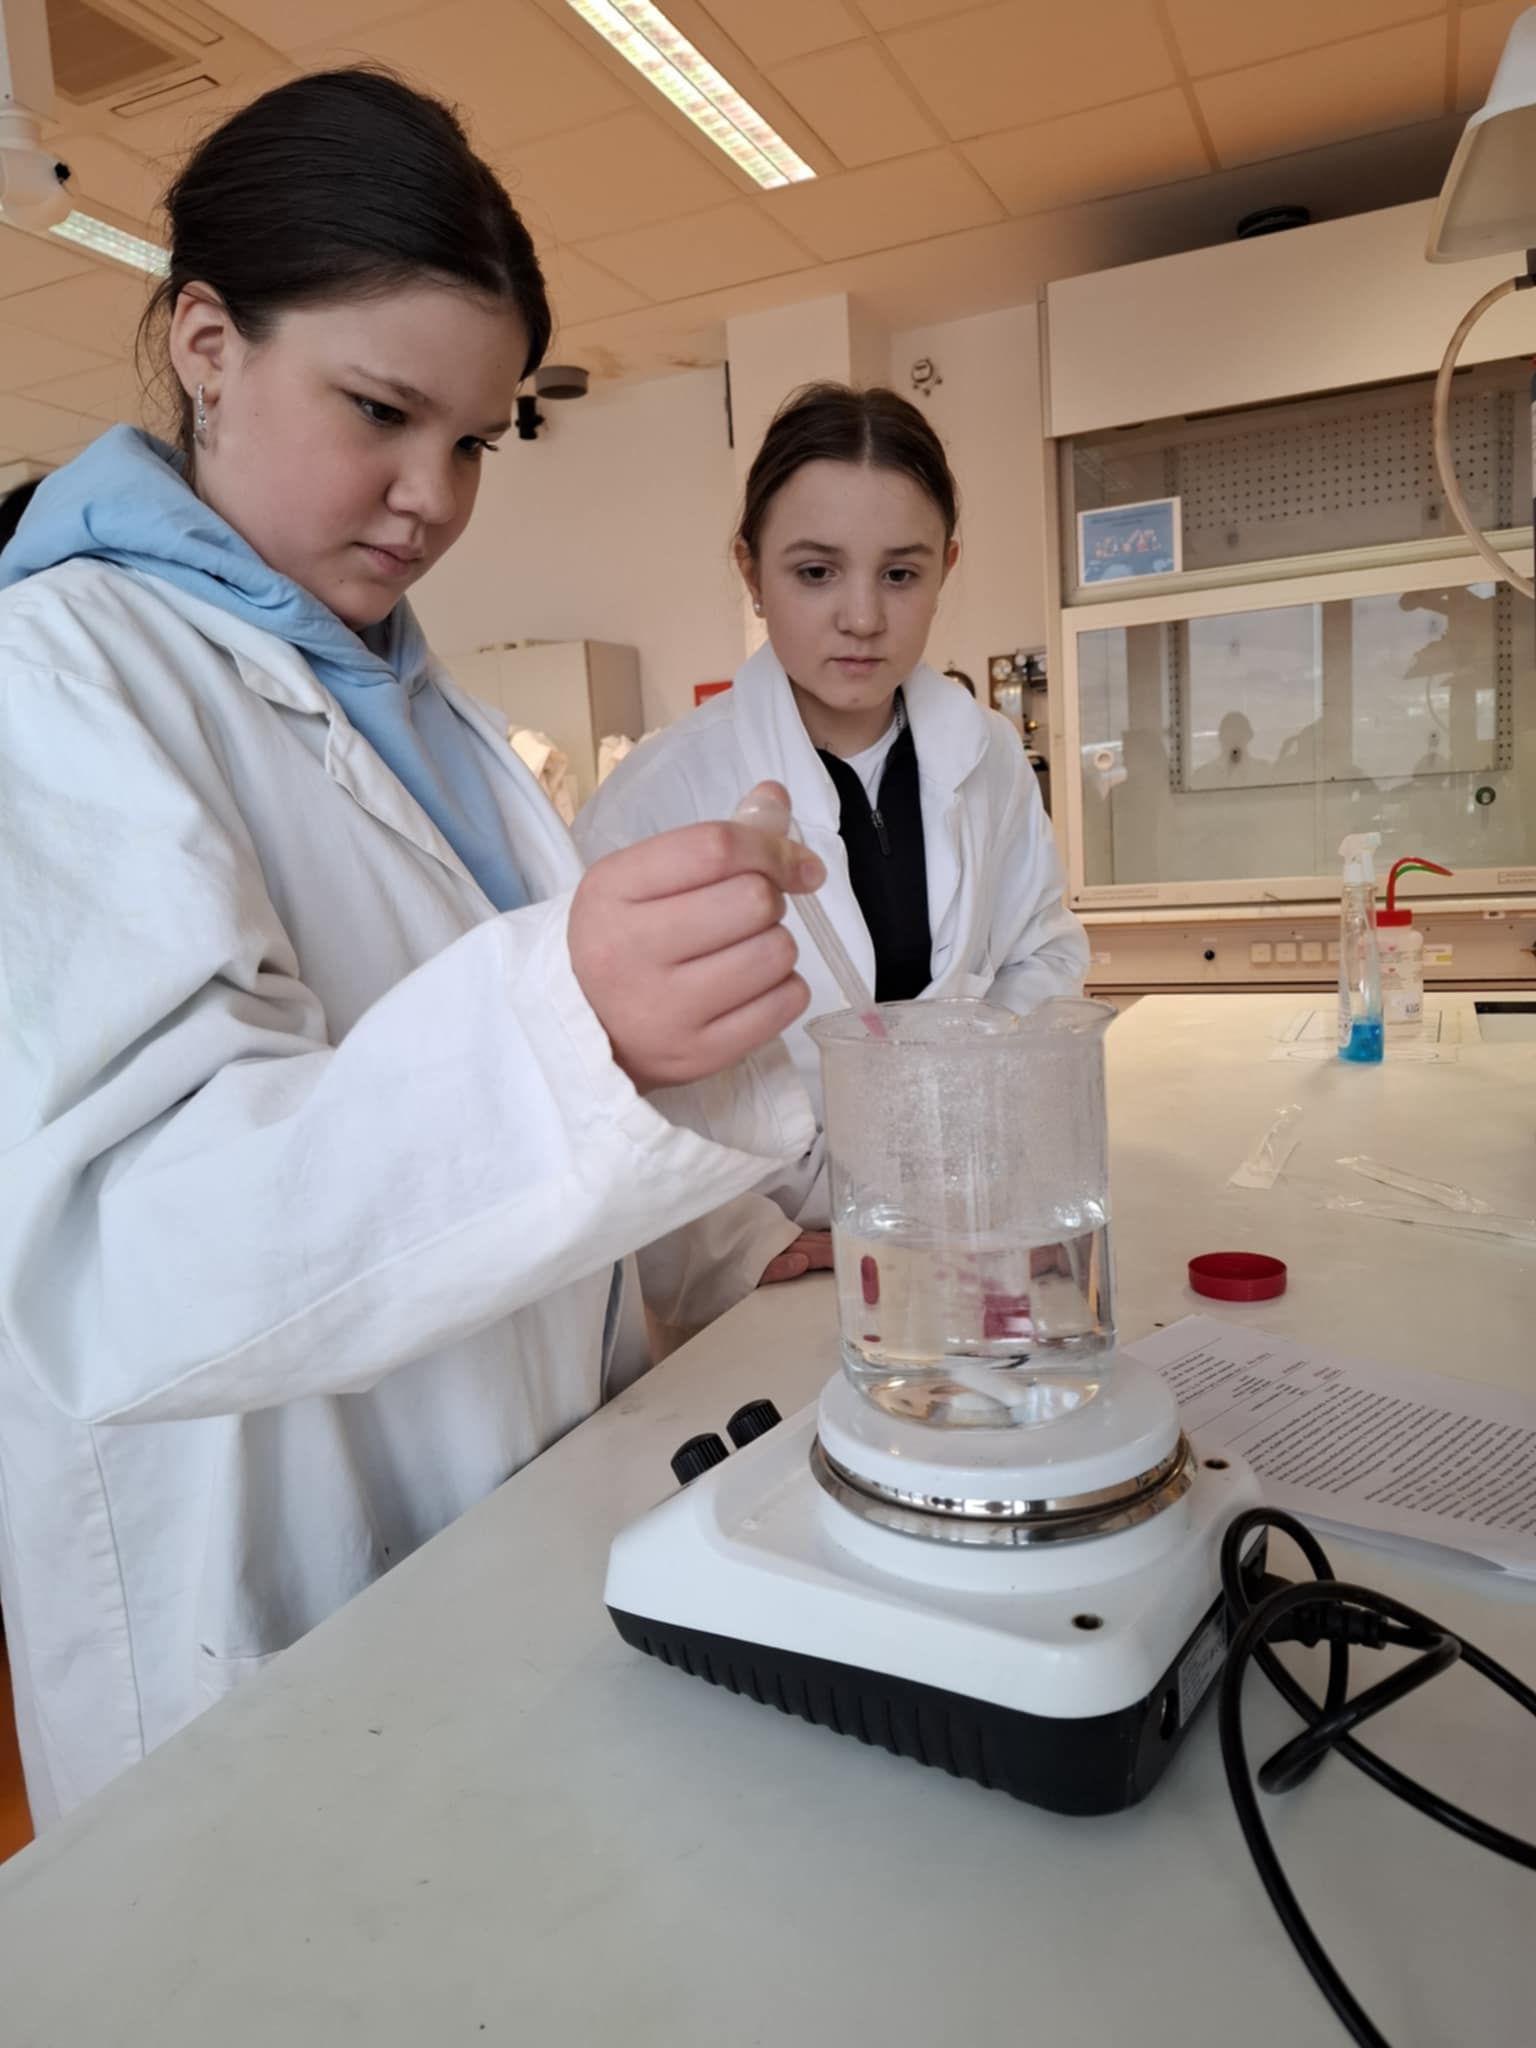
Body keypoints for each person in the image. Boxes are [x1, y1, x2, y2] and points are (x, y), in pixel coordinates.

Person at [0, 70, 825, 1829]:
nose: (431, 496)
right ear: (207, 344)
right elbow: (124, 1252)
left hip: (520, 1525)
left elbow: (526, 1157)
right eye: (381, 411)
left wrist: (738, 1251)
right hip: (262, 1608)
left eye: (474, 440)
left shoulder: (419, 707)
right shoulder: (55, 683)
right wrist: (576, 1022)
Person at [577, 384, 1089, 1330]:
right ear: (751, 570)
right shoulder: (661, 795)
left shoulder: (985, 758)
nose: (862, 617)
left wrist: (969, 1109)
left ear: (946, 569)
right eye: (816, 572)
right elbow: (599, 1070)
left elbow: (1044, 954)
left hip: (965, 1224)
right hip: (769, 1264)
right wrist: (735, 1245)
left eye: (900, 574)